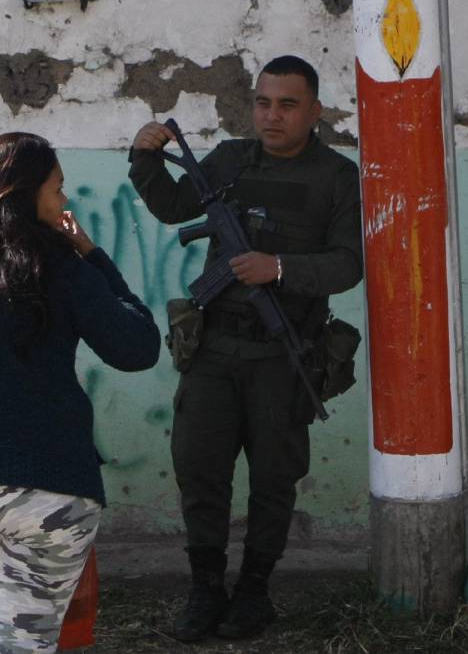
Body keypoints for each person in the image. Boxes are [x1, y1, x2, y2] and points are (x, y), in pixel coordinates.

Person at [127, 55, 363, 641]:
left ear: (315, 111)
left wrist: (278, 268)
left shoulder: (337, 176)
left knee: (274, 479)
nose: (272, 116)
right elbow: (174, 208)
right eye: (263, 103)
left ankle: (254, 592)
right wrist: (144, 157)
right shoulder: (231, 161)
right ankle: (205, 589)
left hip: (284, 355)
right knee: (200, 469)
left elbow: (348, 264)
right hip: (213, 349)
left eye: (287, 105)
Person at [0, 132, 161, 653]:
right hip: (40, 487)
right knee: (21, 642)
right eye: (58, 189)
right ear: (25, 194)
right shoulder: (60, 265)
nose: (65, 201)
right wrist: (92, 253)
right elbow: (137, 347)